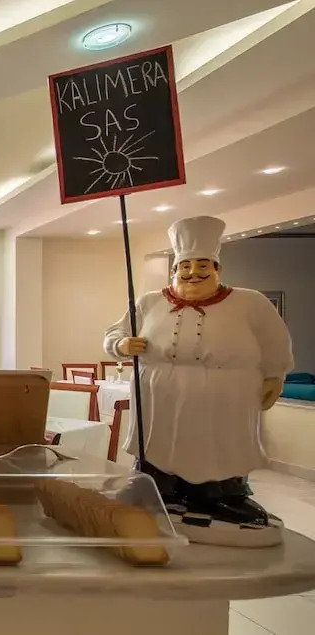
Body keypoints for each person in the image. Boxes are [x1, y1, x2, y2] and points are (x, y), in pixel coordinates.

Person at [104, 216, 293, 547]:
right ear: (174, 270)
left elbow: (275, 341)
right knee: (159, 442)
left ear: (217, 268)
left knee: (219, 443)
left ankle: (220, 494)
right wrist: (122, 345)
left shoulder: (250, 302)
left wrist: (274, 374)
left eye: (202, 265)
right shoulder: (149, 302)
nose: (193, 273)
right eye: (185, 266)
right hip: (159, 393)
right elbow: (114, 333)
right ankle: (155, 488)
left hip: (225, 393)